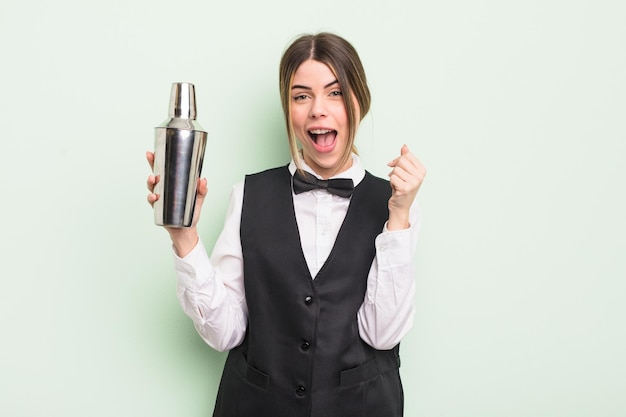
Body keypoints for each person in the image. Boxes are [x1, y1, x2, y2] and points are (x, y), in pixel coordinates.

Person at [146, 32, 426, 417]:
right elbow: (225, 332)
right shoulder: (248, 194)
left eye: (335, 92)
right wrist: (185, 238)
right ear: (288, 108)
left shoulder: (396, 204)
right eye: (301, 96)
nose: (318, 110)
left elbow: (382, 335)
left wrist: (398, 217)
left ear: (359, 101)